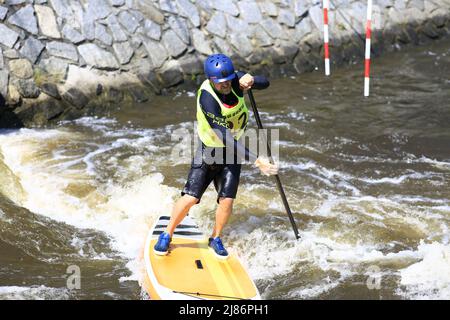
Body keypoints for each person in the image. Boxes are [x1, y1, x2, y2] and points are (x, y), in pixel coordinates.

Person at [154, 53, 278, 259]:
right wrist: (258, 161)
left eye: (229, 80)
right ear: (211, 80)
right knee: (191, 198)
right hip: (210, 151)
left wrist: (253, 80)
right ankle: (167, 234)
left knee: (227, 200)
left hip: (232, 153)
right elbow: (224, 137)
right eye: (221, 83)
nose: (226, 85)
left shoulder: (234, 81)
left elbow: (266, 83)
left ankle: (216, 238)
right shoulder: (207, 99)